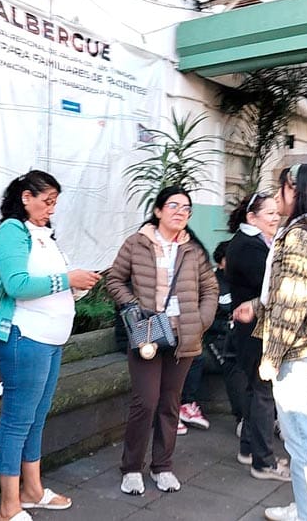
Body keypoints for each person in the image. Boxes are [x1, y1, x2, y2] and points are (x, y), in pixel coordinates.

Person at [0, 171, 101, 521]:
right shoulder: (12, 231)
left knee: (36, 419)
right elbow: (17, 285)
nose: (51, 209)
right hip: (25, 337)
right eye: (47, 201)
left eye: (55, 203)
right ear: (26, 197)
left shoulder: (45, 236)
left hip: (50, 341)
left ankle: (32, 491)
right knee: (16, 421)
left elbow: (51, 284)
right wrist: (67, 279)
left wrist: (76, 286)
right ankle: (8, 507)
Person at [234, 164, 307, 521]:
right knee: (305, 438)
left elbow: (290, 305)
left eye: (281, 189)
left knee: (301, 441)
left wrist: (271, 358)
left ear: (294, 189)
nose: (277, 198)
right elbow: (288, 293)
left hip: (295, 353)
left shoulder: (297, 236)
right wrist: (257, 305)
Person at [107, 186, 218, 495]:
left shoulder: (193, 250)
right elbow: (114, 279)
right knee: (145, 401)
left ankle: (162, 466)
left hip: (184, 336)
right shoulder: (137, 243)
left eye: (186, 208)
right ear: (158, 211)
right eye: (173, 205)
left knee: (171, 402)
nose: (180, 212)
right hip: (148, 333)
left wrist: (201, 321)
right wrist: (132, 306)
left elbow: (211, 288)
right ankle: (131, 467)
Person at [225, 191, 289, 482]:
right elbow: (272, 286)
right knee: (263, 393)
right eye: (269, 213)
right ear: (252, 217)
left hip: (251, 329)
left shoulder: (254, 242)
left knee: (256, 390)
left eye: (277, 212)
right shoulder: (249, 246)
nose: (276, 218)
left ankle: (249, 450)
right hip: (254, 329)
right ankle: (264, 462)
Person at [177, 240, 232, 435]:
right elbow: (202, 318)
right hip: (210, 338)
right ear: (220, 262)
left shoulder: (242, 282)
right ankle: (184, 405)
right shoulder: (211, 283)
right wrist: (225, 325)